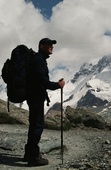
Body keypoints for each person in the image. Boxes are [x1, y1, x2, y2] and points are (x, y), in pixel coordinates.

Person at [24, 38, 65, 166]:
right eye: (49, 44)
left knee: (34, 125)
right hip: (36, 97)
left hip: (34, 96)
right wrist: (58, 85)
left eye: (52, 45)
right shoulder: (38, 60)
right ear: (41, 46)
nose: (51, 46)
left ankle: (29, 153)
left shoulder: (38, 59)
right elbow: (42, 81)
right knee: (37, 126)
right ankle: (33, 158)